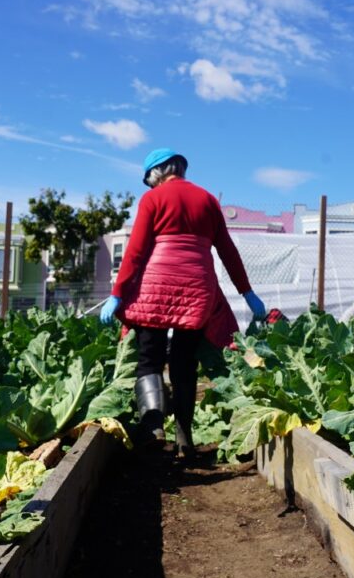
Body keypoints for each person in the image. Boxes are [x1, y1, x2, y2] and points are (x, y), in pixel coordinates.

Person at [99, 148, 265, 458]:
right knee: (184, 364)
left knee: (149, 358)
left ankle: (152, 425)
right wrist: (246, 292)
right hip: (196, 288)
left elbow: (135, 250)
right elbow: (227, 250)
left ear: (157, 172)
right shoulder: (207, 200)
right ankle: (185, 435)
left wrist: (117, 293)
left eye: (150, 180)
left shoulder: (153, 199)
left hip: (156, 286)